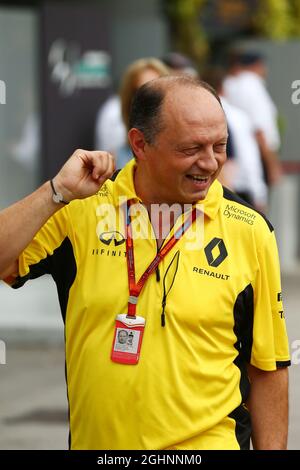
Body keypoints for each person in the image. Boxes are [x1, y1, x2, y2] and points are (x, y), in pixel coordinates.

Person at [0, 76, 290, 450]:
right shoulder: (80, 210)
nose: (211, 162)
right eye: (191, 148)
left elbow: (268, 368)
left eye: (220, 146)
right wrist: (56, 192)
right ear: (140, 144)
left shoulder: (250, 230)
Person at [94, 57, 169, 168]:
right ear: (129, 102)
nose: (149, 101)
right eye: (140, 93)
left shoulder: (184, 155)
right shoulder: (112, 163)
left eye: (156, 92)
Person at [223, 51, 282, 187]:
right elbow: (260, 129)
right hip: (256, 159)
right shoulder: (252, 85)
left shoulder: (230, 84)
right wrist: (272, 166)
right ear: (257, 65)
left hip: (235, 158)